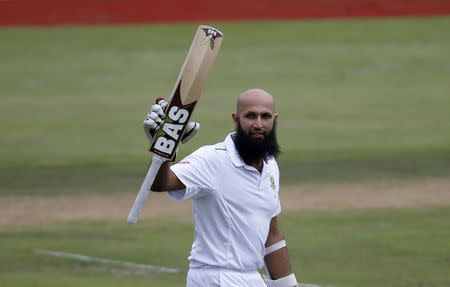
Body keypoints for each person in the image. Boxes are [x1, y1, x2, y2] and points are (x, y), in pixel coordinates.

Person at [143, 88, 298, 287]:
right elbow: (161, 183)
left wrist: (288, 285)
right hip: (215, 278)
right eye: (250, 116)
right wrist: (163, 148)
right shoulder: (213, 159)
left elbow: (271, 233)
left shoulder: (270, 165)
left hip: (251, 279)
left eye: (265, 116)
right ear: (236, 118)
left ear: (274, 120)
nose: (258, 124)